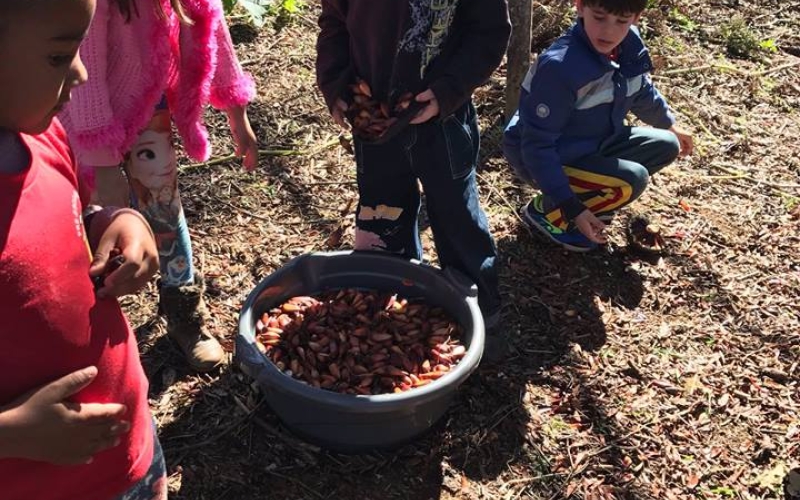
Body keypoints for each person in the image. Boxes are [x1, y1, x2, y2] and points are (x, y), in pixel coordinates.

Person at [0, 0, 166, 497]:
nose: (80, 72)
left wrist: (116, 223)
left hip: (129, 453)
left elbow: (70, 215)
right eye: (58, 57)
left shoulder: (42, 135)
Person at [60, 0, 259, 372]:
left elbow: (209, 23)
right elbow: (84, 68)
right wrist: (104, 164)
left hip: (148, 100)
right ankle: (89, 325)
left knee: (163, 205)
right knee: (90, 220)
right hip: (89, 113)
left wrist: (236, 109)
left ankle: (183, 310)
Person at [316, 0, 511, 338]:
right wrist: (336, 85)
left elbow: (490, 32)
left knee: (457, 215)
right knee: (384, 213)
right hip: (374, 119)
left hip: (442, 121)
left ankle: (480, 310)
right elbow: (334, 23)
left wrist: (447, 89)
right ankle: (394, 298)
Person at [503, 0, 694, 252]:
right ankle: (549, 212)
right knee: (633, 179)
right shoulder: (562, 67)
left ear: (636, 17)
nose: (609, 31)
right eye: (600, 17)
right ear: (580, 7)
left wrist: (669, 124)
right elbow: (536, 146)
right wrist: (573, 208)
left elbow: (642, 91)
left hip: (595, 140)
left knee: (667, 145)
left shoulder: (628, 45)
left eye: (621, 21)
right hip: (548, 158)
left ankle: (586, 202)